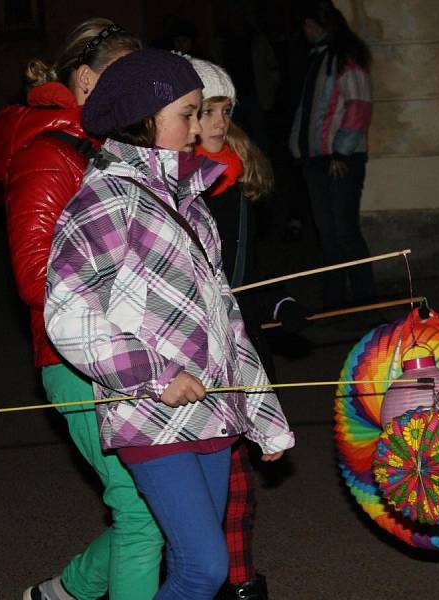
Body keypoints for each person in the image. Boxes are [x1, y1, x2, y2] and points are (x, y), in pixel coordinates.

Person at [44, 49, 295, 600]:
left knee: (203, 568)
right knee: (202, 569)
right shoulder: (105, 201)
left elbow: (225, 319)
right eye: (186, 112)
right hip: (149, 413)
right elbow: (68, 314)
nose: (197, 126)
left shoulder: (189, 201)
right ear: (142, 117)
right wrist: (154, 373)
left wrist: (263, 416)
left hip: (210, 412)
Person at [0, 20, 163, 600]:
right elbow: (36, 280)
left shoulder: (103, 146)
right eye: (124, 78)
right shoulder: (49, 154)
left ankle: (60, 594)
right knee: (142, 514)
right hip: (76, 356)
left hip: (124, 350)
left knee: (154, 510)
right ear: (85, 80)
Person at [190, 57, 306, 600]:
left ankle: (238, 583)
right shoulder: (177, 185)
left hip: (238, 345)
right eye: (205, 111)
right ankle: (207, 577)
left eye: (224, 110)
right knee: (204, 487)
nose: (217, 121)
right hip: (192, 349)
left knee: (238, 482)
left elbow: (247, 270)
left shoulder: (235, 179)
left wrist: (279, 302)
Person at [289, 0, 375, 309]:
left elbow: (358, 106)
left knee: (344, 231)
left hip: (339, 160)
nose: (305, 31)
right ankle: (335, 303)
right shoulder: (320, 58)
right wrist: (299, 148)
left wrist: (342, 152)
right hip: (317, 158)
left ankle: (366, 301)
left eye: (308, 24)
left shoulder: (344, 58)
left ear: (320, 25)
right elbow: (310, 110)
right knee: (328, 234)